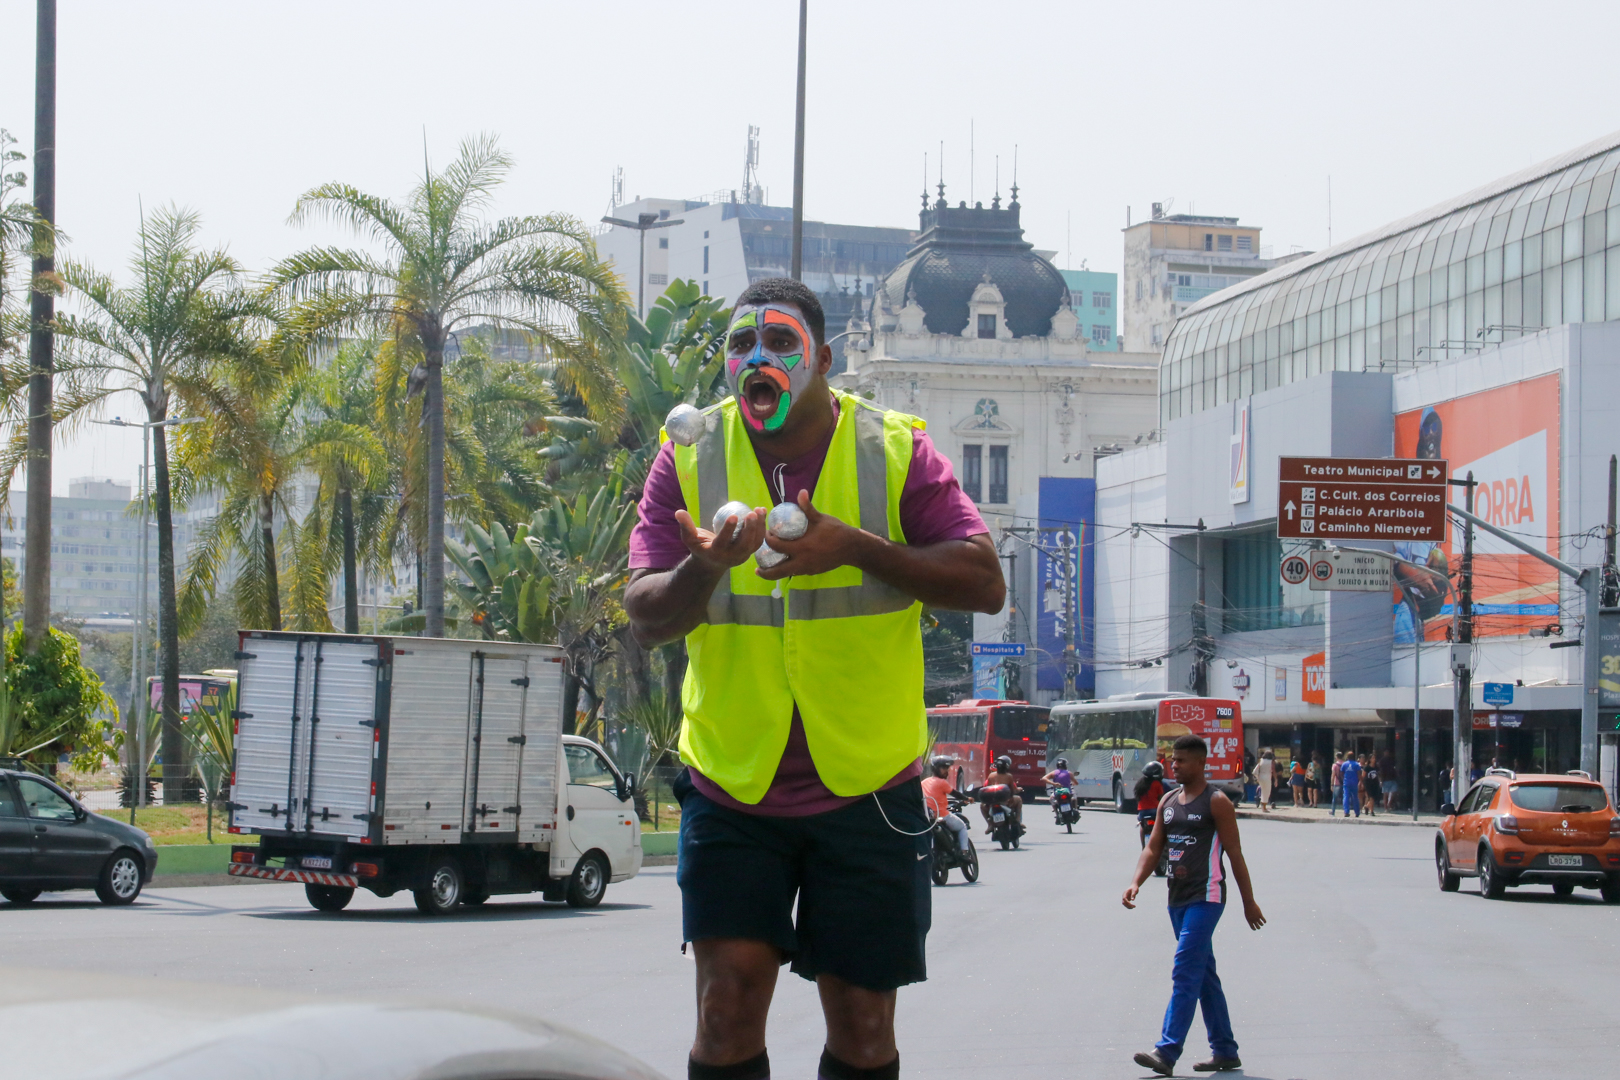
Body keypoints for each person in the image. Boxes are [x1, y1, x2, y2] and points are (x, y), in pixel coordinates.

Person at [623, 277, 1005, 1080]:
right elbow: (647, 613)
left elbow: (984, 581)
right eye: (739, 346)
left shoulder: (893, 449)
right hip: (733, 783)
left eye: (780, 343)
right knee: (725, 1009)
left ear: (824, 359)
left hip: (869, 784)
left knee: (865, 1028)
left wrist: (859, 547)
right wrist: (703, 571)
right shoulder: (689, 456)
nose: (755, 359)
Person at [1123, 734, 1266, 1076]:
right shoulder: (1168, 801)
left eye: (1182, 760)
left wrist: (1249, 902)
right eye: (1174, 760)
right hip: (1177, 898)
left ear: (1201, 764)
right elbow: (1153, 847)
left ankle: (1167, 1050)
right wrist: (1135, 882)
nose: (1175, 765)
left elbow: (1235, 854)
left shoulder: (1217, 802)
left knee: (1185, 969)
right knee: (1204, 975)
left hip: (1207, 896)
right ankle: (1225, 1050)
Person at [922, 756, 970, 857]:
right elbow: (955, 794)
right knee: (962, 827)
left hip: (927, 817)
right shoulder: (942, 783)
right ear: (935, 769)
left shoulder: (924, 782)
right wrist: (966, 798)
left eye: (947, 769)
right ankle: (964, 852)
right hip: (942, 815)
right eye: (943, 768)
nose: (946, 771)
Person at [981, 755, 1024, 834]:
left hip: (992, 802)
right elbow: (1013, 790)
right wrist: (1019, 790)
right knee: (1019, 800)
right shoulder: (1009, 776)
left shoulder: (991, 775)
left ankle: (990, 824)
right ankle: (1018, 821)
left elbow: (986, 789)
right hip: (1006, 801)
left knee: (982, 806)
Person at [1135, 760, 1168, 846]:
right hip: (1155, 810)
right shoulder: (1157, 784)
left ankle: (1143, 846)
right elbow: (1161, 798)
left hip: (1142, 811)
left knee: (1142, 826)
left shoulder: (1140, 783)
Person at [1338, 753, 1362, 818]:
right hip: (1354, 783)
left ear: (1347, 757)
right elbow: (1359, 774)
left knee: (1346, 796)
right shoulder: (1357, 764)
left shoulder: (1344, 764)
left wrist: (1344, 779)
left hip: (1346, 783)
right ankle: (1357, 812)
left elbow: (1341, 773)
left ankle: (1346, 812)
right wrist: (1361, 782)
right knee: (1355, 797)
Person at [1329, 751, 1344, 818]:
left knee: (1335, 798)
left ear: (1337, 757)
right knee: (1345, 797)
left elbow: (1333, 775)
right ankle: (1346, 811)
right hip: (1344, 783)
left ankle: (1333, 811)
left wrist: (1331, 784)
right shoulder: (1344, 764)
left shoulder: (1335, 765)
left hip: (1337, 783)